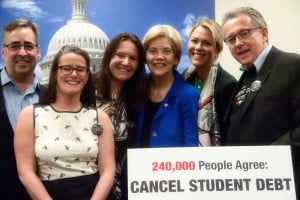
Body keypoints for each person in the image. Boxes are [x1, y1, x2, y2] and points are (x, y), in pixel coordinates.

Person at [14, 45, 115, 200]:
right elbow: (26, 172)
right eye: (66, 68)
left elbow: (108, 170)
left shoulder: (100, 117)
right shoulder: (30, 116)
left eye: (80, 69)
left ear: (87, 75)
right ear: (54, 73)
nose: (73, 74)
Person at [221, 6, 300, 199]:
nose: (238, 43)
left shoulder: (293, 66)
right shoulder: (246, 75)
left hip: (282, 184)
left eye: (244, 33)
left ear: (264, 33)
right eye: (231, 39)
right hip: (247, 186)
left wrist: (266, 159)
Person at [95, 32, 147, 200]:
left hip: (124, 187)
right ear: (109, 55)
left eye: (133, 58)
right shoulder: (85, 90)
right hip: (86, 185)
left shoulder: (140, 96)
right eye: (120, 55)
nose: (126, 62)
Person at [0, 18, 46, 199]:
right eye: (14, 46)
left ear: (38, 52)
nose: (22, 52)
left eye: (28, 46)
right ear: (3, 52)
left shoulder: (53, 97)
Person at [134, 24, 199, 147]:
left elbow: (191, 147)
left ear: (176, 58)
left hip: (173, 166)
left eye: (167, 51)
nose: (159, 57)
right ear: (145, 56)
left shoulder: (189, 95)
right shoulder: (137, 88)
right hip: (137, 165)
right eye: (152, 51)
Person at [183, 19, 236, 146]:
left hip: (215, 161)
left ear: (217, 49)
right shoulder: (183, 79)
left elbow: (231, 134)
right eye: (194, 41)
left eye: (206, 43)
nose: (198, 47)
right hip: (184, 158)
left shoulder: (228, 85)